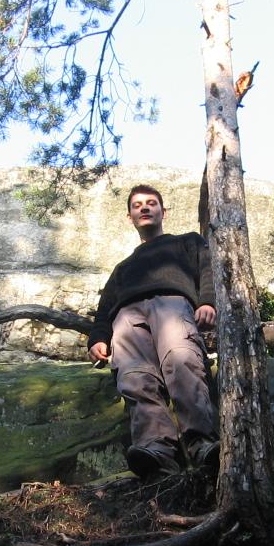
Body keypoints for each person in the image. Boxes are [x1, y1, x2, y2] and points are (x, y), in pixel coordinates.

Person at [87, 184, 220, 481]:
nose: (145, 208)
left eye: (151, 203)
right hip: (126, 317)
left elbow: (208, 270)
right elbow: (105, 307)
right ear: (130, 217)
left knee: (182, 359)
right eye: (137, 205)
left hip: (172, 303)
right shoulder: (122, 268)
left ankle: (202, 443)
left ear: (163, 211)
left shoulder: (188, 241)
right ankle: (156, 449)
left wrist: (207, 302)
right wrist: (97, 338)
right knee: (135, 377)